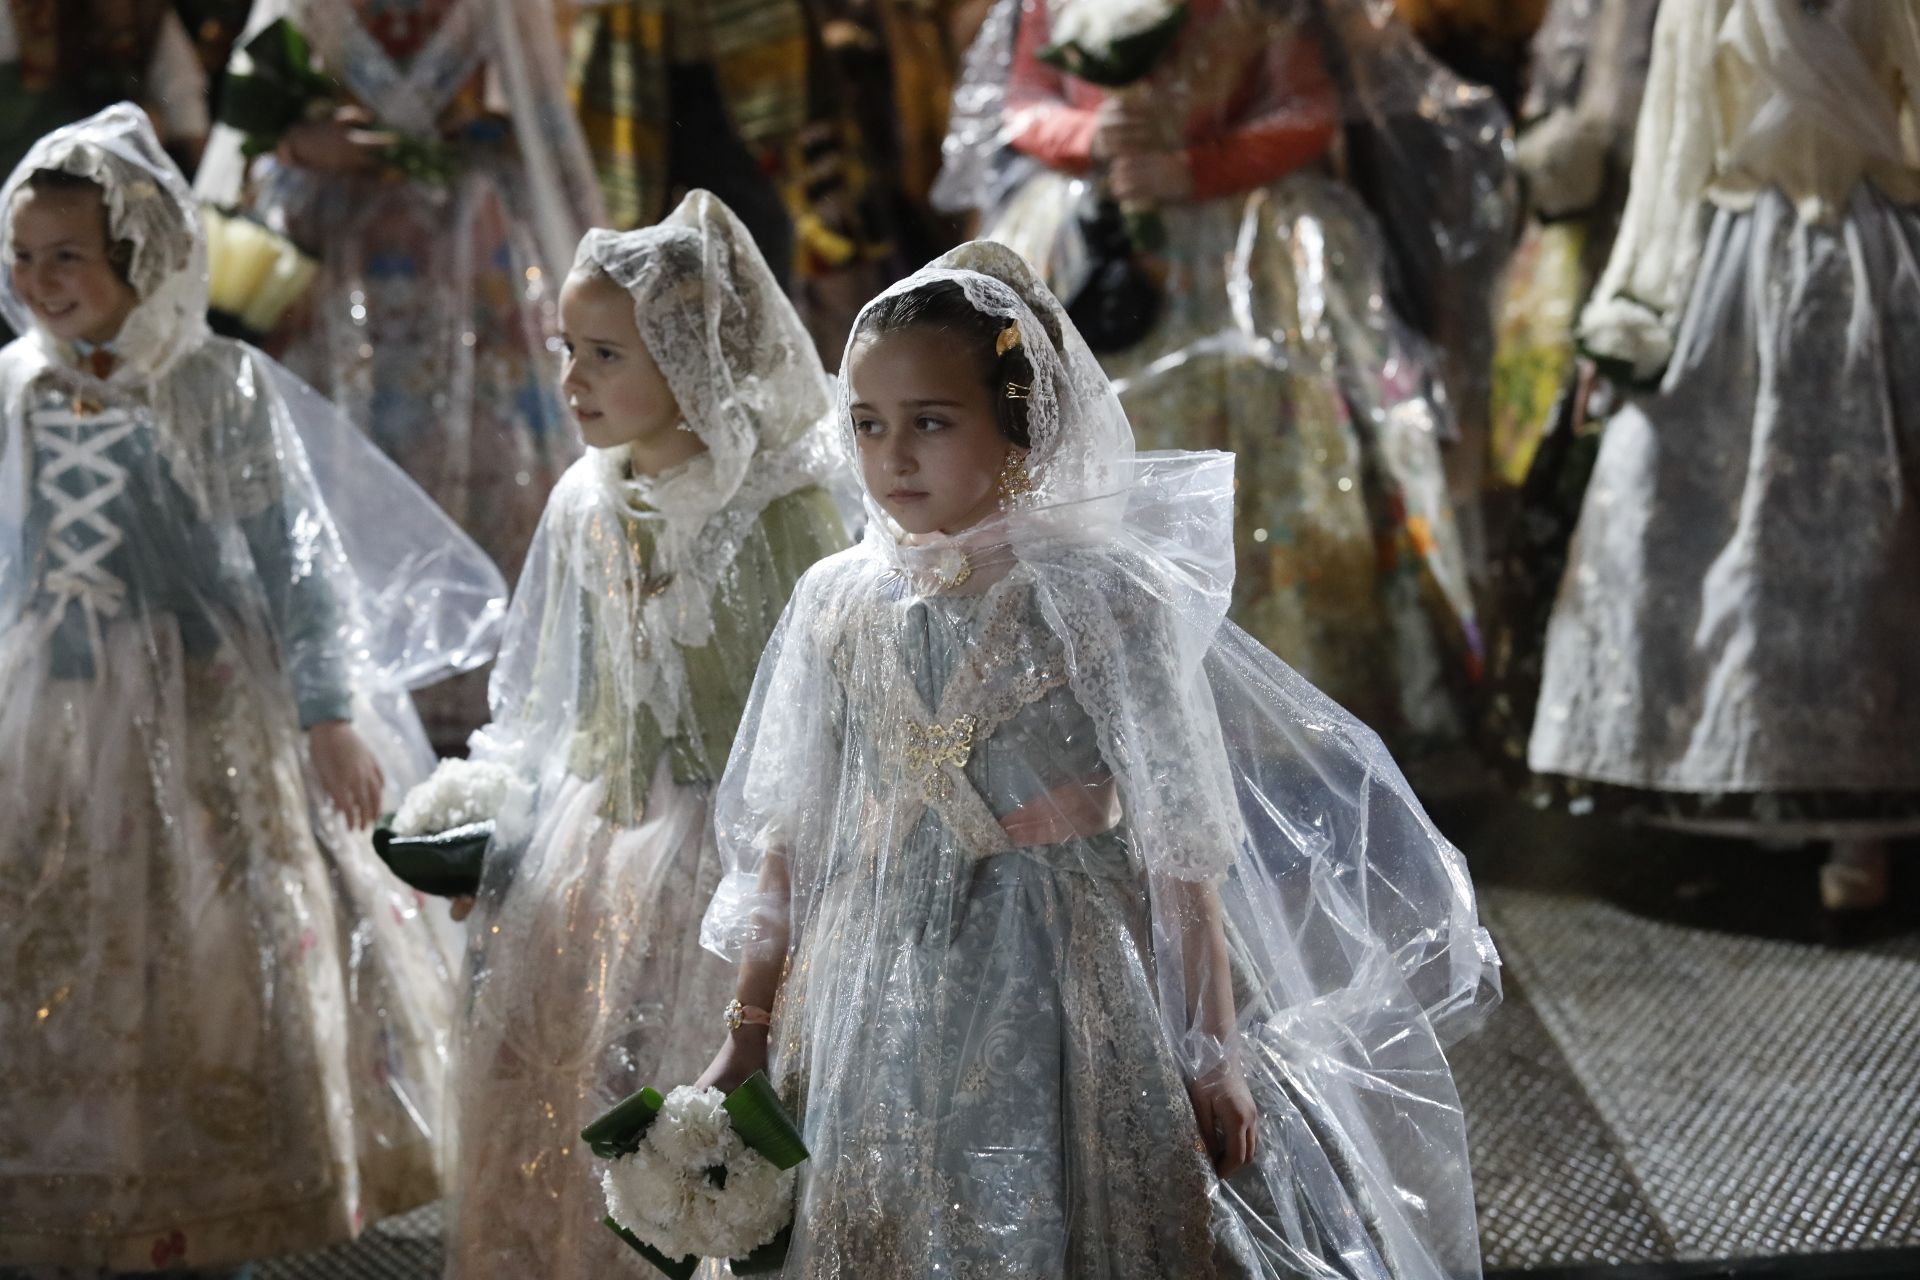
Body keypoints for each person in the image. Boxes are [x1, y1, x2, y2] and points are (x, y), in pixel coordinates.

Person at [694, 241, 1497, 1277]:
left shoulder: (1100, 595)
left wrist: (1213, 1051)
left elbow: (1181, 836)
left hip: (1061, 959)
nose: (893, 457)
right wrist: (750, 1028)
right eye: (868, 422)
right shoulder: (835, 601)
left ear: (1021, 427)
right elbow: (788, 836)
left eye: (931, 422)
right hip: (871, 975)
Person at [0, 103, 504, 1275]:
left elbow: (296, 559)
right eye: (21, 256)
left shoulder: (215, 384)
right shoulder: (15, 388)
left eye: (66, 255)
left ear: (141, 256)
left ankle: (211, 1187)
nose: (37, 281)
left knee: (215, 938)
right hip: (45, 701)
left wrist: (327, 708)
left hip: (201, 695)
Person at [441, 191, 850, 1278]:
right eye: (569, 348)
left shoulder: (783, 510)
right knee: (567, 1075)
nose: (571, 379)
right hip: (602, 834)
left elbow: (818, 722)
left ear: (692, 358)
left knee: (685, 1091)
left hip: (735, 856)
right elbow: (552, 691)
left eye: (605, 354)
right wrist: (501, 822)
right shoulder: (587, 494)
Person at [936, 0, 1490, 761]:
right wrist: (1093, 136)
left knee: (1266, 448)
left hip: (1243, 249)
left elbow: (1306, 109)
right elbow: (1024, 103)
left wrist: (1194, 167)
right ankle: (1114, 686)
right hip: (1099, 238)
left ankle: (1278, 700)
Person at [1529, 0, 1920, 912]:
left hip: (1874, 261)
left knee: (1869, 553)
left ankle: (1862, 818)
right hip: (1743, 270)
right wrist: (1633, 305)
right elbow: (1671, 154)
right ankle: (1766, 776)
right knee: (1721, 538)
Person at [195, 0, 603, 749]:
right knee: (332, 445)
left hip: (465, 240)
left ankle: (482, 687)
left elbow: (541, 113)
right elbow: (246, 122)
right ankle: (337, 689)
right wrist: (296, 139)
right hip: (333, 240)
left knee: (488, 442)